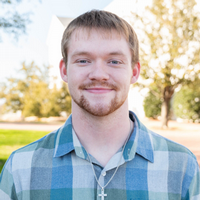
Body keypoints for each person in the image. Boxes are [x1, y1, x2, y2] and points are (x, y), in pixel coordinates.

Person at [0, 10, 199, 200]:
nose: (98, 74)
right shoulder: (20, 168)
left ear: (134, 72)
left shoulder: (182, 168)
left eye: (114, 61)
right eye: (84, 60)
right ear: (64, 70)